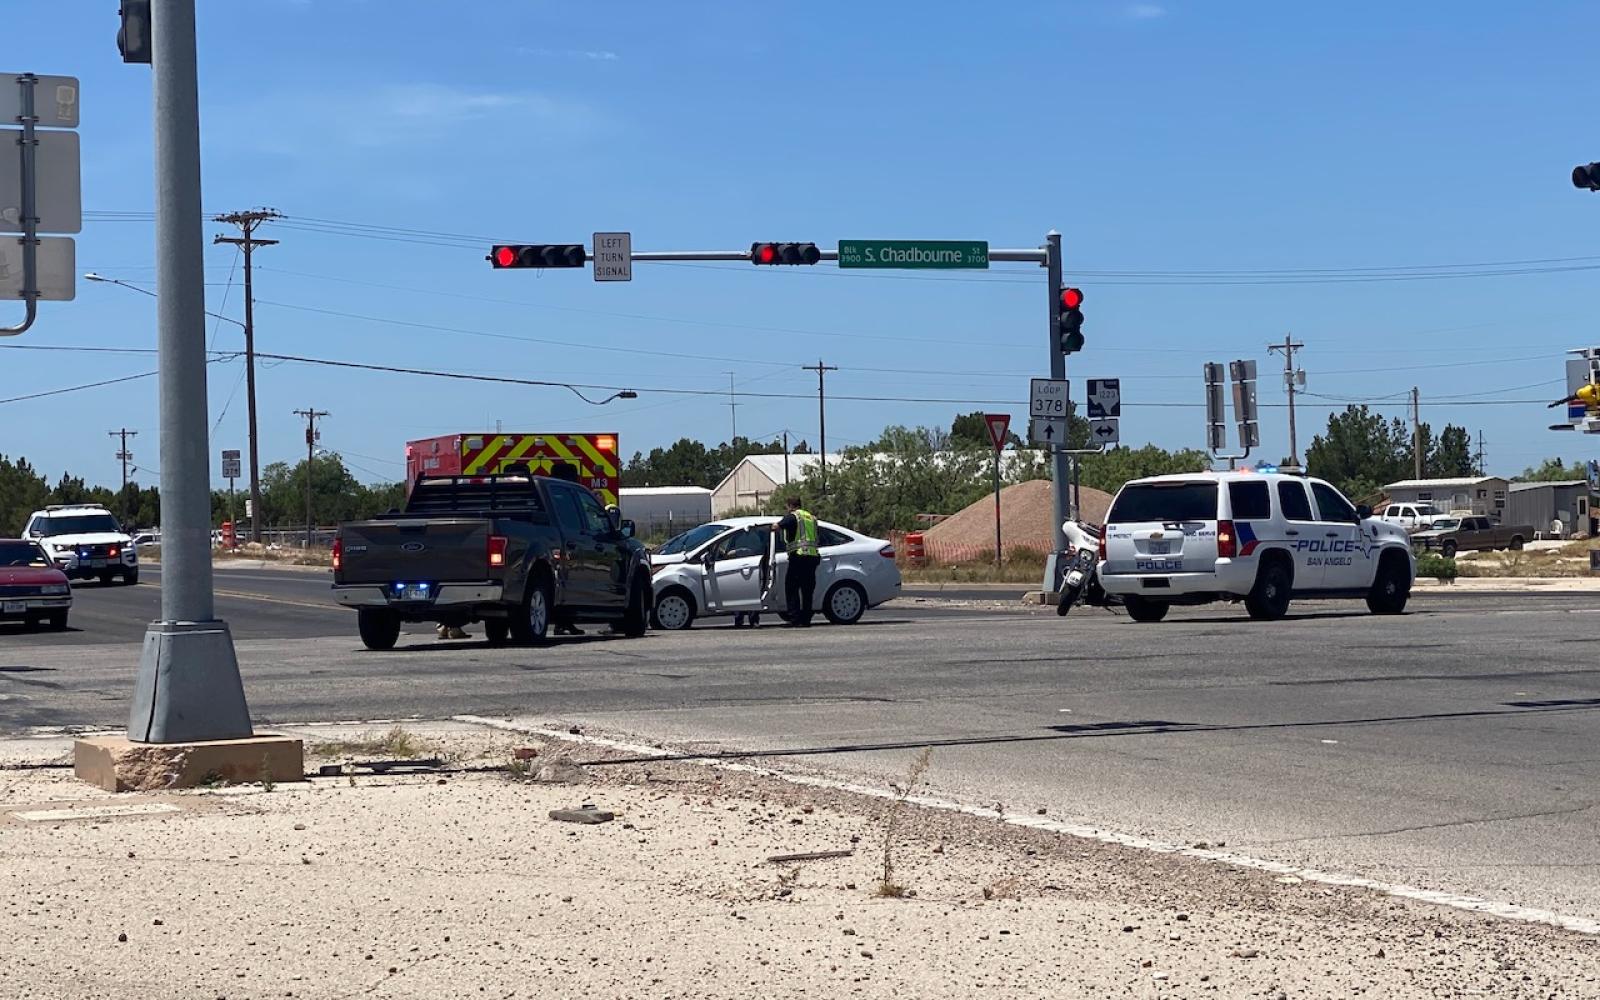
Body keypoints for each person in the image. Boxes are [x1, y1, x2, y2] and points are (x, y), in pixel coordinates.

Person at [777, 496, 821, 626]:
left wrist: (772, 527)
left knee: (791, 588)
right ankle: (806, 620)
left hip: (799, 557)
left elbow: (778, 526)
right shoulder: (811, 518)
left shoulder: (793, 516)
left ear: (790, 506)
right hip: (812, 557)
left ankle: (795, 619)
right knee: (807, 590)